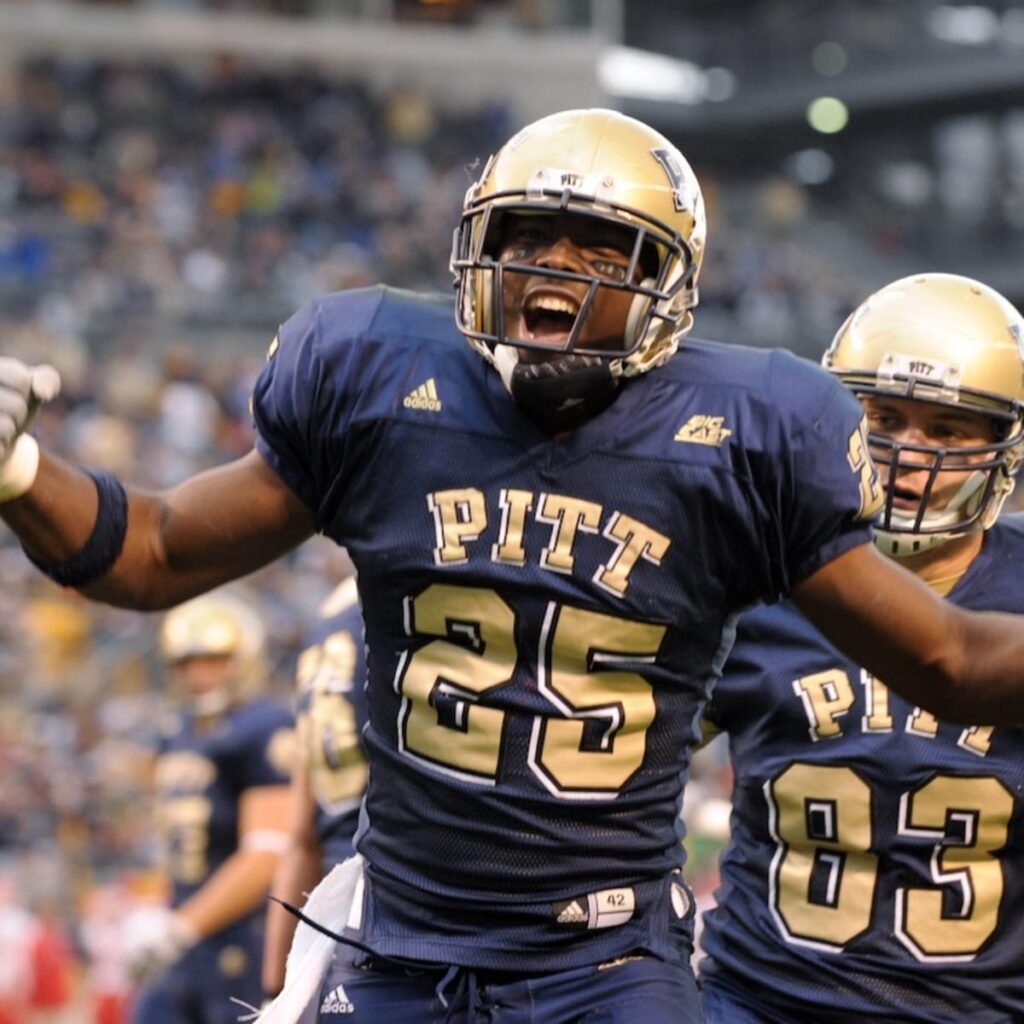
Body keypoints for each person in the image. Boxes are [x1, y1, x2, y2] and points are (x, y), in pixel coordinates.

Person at [3, 108, 1024, 1023]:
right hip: (399, 936)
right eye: (527, 236)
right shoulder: (376, 379)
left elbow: (947, 658)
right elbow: (157, 548)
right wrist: (22, 470)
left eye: (601, 247)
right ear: (473, 252)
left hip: (603, 957)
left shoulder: (740, 438)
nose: (555, 268)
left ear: (666, 286)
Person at [698, 272, 1024, 1024]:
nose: (908, 452)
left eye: (947, 430)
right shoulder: (757, 574)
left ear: (1002, 446)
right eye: (883, 418)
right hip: (757, 1001)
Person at [124, 590, 294, 1024]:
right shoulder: (176, 731)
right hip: (185, 935)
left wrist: (182, 927)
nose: (201, 675)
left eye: (214, 660)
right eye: (189, 663)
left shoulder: (263, 727)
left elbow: (267, 854)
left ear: (245, 658)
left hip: (242, 938)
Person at [261, 575, 369, 1005]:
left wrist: (274, 989)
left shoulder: (324, 623)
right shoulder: (414, 589)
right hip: (411, 914)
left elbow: (301, 839)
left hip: (331, 920)